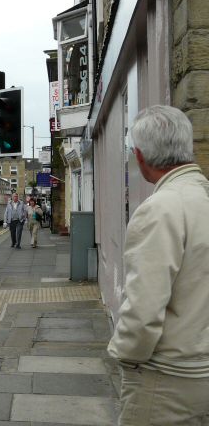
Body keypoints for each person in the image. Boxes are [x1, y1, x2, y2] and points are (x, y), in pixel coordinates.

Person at [107, 105, 209, 425]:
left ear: (139, 157)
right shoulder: (202, 197)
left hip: (166, 382)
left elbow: (143, 309)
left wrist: (123, 354)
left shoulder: (160, 209)